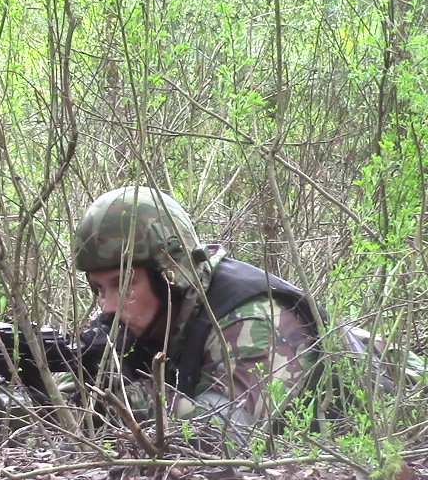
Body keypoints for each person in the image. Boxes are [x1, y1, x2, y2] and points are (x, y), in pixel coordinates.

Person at [72, 186, 324, 442]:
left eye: (123, 284)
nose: (108, 306)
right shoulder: (139, 318)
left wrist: (125, 399)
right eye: (99, 288)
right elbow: (67, 404)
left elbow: (226, 432)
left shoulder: (251, 321)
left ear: (169, 277)